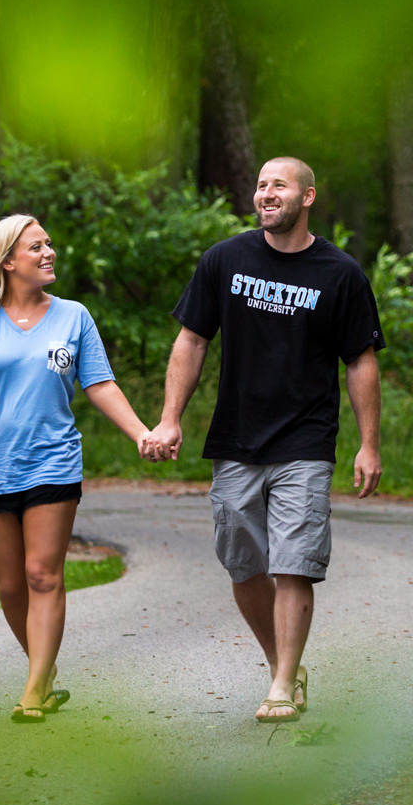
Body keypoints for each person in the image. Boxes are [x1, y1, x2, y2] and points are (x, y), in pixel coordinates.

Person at [146, 156, 384, 723]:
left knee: (294, 562)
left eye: (278, 185)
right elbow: (192, 340)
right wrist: (169, 418)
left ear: (307, 197)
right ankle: (284, 661)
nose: (265, 193)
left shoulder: (340, 273)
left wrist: (368, 443)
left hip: (306, 440)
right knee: (243, 564)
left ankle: (280, 684)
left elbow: (361, 362)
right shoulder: (225, 260)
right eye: (259, 185)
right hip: (237, 439)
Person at [0, 213, 160, 722]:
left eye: (49, 244)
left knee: (43, 575)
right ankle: (44, 669)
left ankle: (35, 688)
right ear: (8, 261)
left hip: (53, 462)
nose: (49, 253)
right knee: (11, 585)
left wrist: (141, 432)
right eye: (36, 247)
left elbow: (99, 385)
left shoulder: (73, 317)